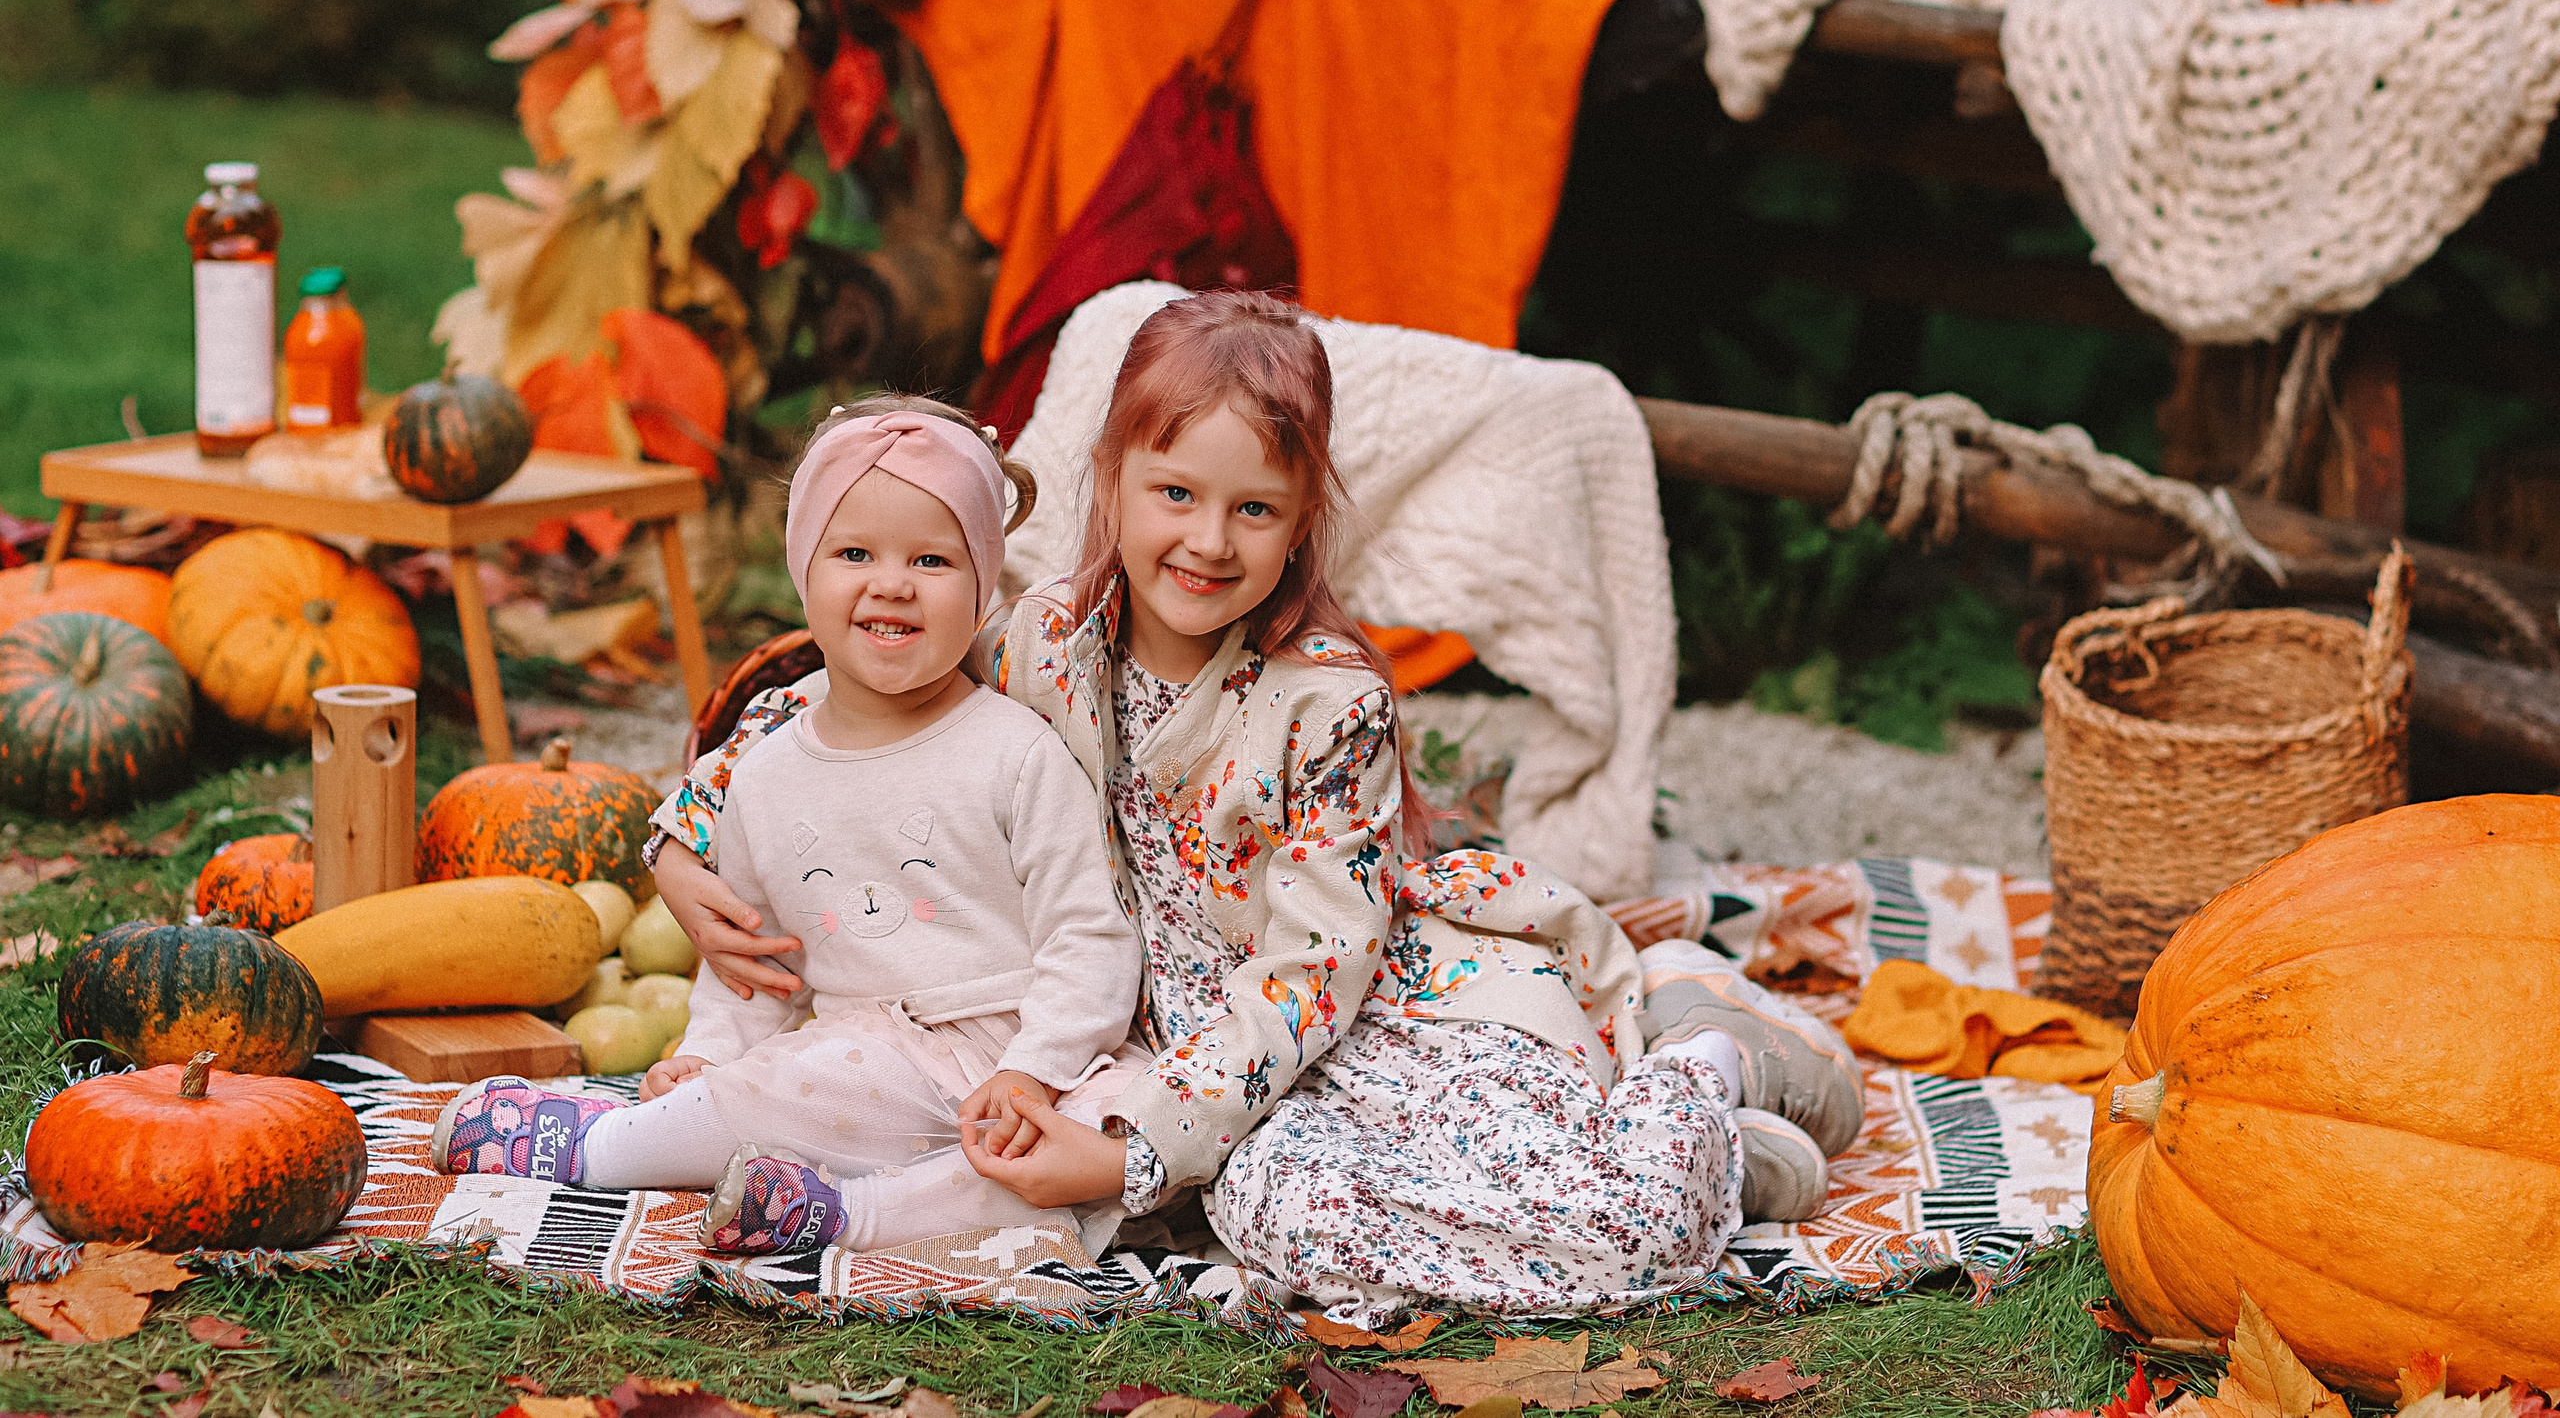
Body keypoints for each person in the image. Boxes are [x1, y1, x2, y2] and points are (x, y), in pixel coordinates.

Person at [647, 293, 1864, 1319]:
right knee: (1286, 1217)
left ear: (1302, 520)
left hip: (1345, 1024)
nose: (1209, 543)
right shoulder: (1044, 642)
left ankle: (1698, 1071)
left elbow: (1316, 972)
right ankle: (1705, 1153)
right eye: (1174, 493)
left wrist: (1138, 1146)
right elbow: (855, 701)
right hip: (1131, 1039)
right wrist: (684, 836)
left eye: (1255, 510)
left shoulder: (1326, 705)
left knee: (1394, 1211)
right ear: (1111, 482)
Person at [430, 399, 1150, 1257]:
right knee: (783, 1083)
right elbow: (753, 963)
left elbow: (1089, 939)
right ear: (803, 573)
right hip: (868, 1060)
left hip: (1020, 1057)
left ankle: (846, 1214)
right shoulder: (767, 776)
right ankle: (595, 1147)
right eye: (854, 554)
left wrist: (1032, 1072)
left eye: (932, 559)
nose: (892, 582)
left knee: (1122, 1133)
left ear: (984, 586)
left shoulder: (1017, 752)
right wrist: (706, 1055)